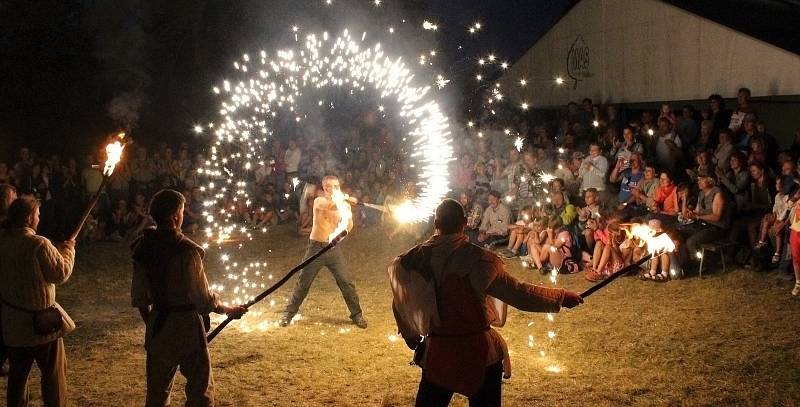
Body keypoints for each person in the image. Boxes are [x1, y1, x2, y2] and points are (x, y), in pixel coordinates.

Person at [389, 199, 582, 407]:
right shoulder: (479, 259)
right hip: (479, 354)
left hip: (441, 352)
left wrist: (412, 336)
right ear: (464, 222)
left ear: (436, 224)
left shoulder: (413, 260)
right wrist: (561, 297)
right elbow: (519, 293)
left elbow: (400, 300)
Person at [131, 189, 247, 406]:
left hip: (158, 325)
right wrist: (228, 309)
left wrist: (153, 325)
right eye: (182, 211)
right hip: (186, 328)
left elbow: (139, 297)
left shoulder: (142, 248)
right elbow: (203, 300)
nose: (183, 216)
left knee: (156, 394)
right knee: (199, 391)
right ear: (175, 216)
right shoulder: (186, 251)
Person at [0, 197, 76, 406]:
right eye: (38, 214)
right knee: (53, 377)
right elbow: (60, 273)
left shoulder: (3, 241)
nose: (39, 218)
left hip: (13, 324)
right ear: (28, 218)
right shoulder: (38, 243)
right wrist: (68, 250)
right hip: (42, 325)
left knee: (17, 377)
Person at [279, 175, 367, 328]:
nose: (336, 189)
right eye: (332, 186)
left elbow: (349, 224)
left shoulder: (343, 205)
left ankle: (357, 315)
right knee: (303, 283)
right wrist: (344, 199)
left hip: (333, 249)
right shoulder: (320, 201)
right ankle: (288, 313)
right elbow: (330, 206)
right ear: (326, 188)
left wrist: (339, 237)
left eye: (338, 186)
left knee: (346, 282)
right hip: (315, 249)